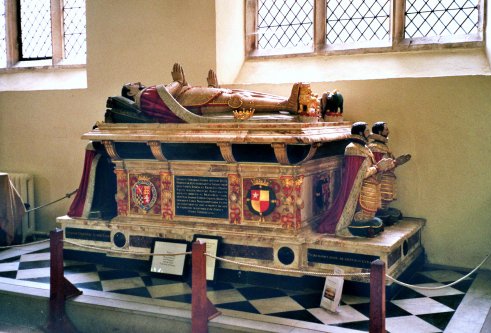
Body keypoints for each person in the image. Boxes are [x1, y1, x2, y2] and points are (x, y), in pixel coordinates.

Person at [121, 63, 304, 123]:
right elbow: (167, 98)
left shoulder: (146, 94)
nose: (136, 83)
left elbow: (177, 93)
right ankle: (286, 105)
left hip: (197, 98)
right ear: (130, 92)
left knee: (239, 95)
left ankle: (286, 103)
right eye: (132, 84)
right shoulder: (143, 97)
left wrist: (212, 87)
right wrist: (178, 81)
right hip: (195, 105)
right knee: (237, 100)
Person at [316, 122, 395, 237]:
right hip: (359, 191)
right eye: (367, 131)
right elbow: (360, 175)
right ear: (360, 133)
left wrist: (381, 167)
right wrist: (378, 167)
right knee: (367, 219)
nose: (369, 134)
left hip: (367, 188)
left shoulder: (363, 148)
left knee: (375, 220)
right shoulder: (353, 149)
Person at [368, 121, 411, 225]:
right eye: (386, 129)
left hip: (388, 175)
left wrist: (397, 162)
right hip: (381, 177)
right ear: (379, 131)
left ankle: (384, 211)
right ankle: (380, 212)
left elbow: (388, 162)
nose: (389, 131)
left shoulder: (383, 146)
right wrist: (395, 162)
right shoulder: (375, 146)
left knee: (387, 197)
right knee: (382, 196)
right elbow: (380, 164)